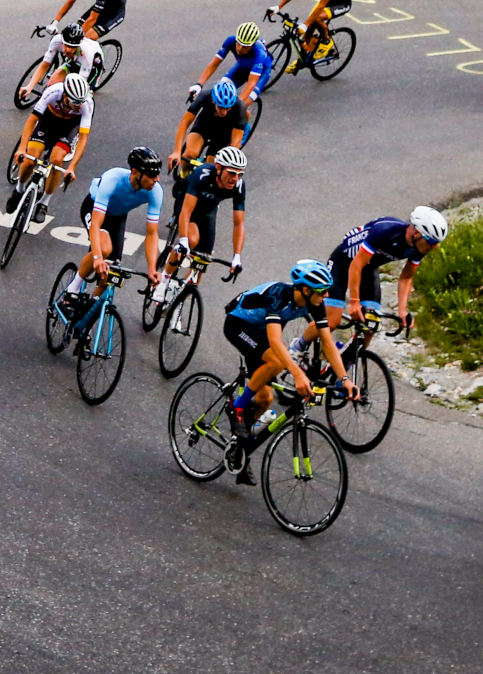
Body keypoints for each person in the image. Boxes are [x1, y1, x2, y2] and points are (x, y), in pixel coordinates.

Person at [219, 260, 357, 483]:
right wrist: (298, 374)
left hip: (261, 335)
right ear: (306, 290)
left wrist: (345, 379)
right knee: (277, 361)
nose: (326, 295)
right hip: (238, 324)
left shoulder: (315, 302)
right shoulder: (278, 295)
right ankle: (236, 406)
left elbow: (327, 342)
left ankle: (240, 450)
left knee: (265, 399)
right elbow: (275, 342)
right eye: (322, 291)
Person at [59, 147, 166, 323]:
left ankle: (86, 315)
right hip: (94, 208)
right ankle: (72, 291)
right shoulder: (113, 179)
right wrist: (97, 257)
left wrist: (152, 269)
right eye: (152, 175)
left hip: (117, 217)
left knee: (111, 274)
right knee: (104, 249)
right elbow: (96, 224)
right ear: (135, 172)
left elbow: (152, 233)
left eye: (157, 174)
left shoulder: (155, 191)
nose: (157, 179)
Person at [324, 206, 448, 344]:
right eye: (432, 242)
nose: (435, 247)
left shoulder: (419, 247)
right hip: (343, 263)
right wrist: (354, 301)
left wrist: (402, 312)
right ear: (417, 233)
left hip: (368, 269)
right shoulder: (385, 231)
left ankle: (348, 357)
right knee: (332, 322)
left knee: (371, 325)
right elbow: (356, 265)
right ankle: (303, 346)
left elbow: (406, 277)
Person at [28, 0, 125, 93]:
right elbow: (70, 2)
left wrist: (76, 40)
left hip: (114, 12)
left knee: (87, 38)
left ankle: (95, 65)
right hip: (100, 7)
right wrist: (55, 22)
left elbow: (92, 19)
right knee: (74, 31)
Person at [168, 146, 248, 286]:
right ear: (219, 168)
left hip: (208, 211)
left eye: (239, 174)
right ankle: (163, 281)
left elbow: (238, 224)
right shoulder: (203, 174)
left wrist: (237, 257)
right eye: (231, 173)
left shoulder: (239, 185)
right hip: (187, 203)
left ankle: (179, 295)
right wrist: (183, 241)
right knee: (191, 240)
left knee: (202, 263)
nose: (235, 179)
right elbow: (186, 211)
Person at [13, 73, 94, 205]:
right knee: (30, 161)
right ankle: (19, 189)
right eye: (76, 102)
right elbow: (32, 120)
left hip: (69, 127)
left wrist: (72, 167)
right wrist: (22, 148)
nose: (79, 106)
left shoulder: (88, 104)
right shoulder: (53, 92)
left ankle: (44, 202)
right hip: (48, 121)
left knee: (56, 161)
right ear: (65, 96)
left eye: (81, 102)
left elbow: (83, 138)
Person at [193, 22, 274, 106]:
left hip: (261, 73)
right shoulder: (230, 41)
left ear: (252, 45)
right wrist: (199, 84)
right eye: (238, 43)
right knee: (220, 93)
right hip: (242, 67)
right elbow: (214, 64)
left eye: (245, 46)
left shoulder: (260, 54)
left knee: (242, 106)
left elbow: (252, 83)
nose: (239, 49)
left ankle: (245, 113)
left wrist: (238, 105)